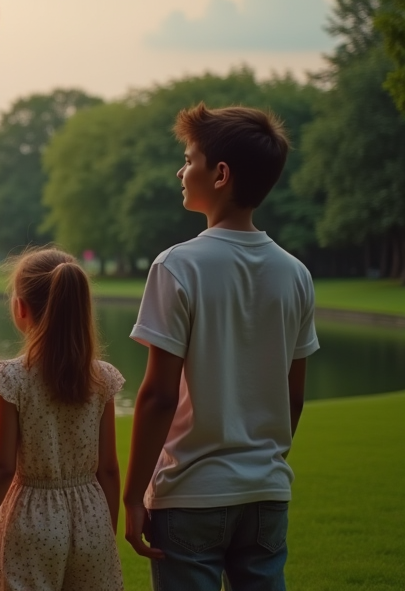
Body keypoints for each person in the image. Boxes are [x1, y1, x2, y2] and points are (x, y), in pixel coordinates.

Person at [123, 104, 319, 591]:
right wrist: (261, 463)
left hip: (191, 494)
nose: (181, 171)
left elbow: (159, 397)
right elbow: (294, 396)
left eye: (189, 159)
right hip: (266, 494)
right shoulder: (295, 274)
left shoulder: (176, 267)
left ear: (220, 174)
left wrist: (132, 496)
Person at [0, 248, 125, 591]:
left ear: (21, 308)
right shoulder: (102, 379)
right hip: (92, 516)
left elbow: (3, 467)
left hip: (31, 520)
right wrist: (104, 530)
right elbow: (109, 469)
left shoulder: (13, 378)